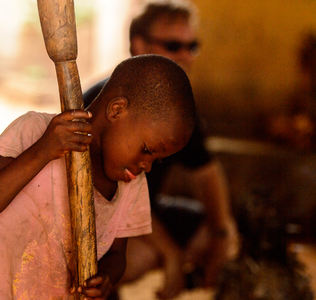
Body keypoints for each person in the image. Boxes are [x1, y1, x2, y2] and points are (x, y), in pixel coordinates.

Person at [0, 55, 196, 300]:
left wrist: (105, 277)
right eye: (146, 149)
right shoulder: (36, 132)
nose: (146, 166)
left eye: (155, 160)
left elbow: (117, 256)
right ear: (117, 110)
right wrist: (43, 150)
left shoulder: (130, 184)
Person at [83, 1, 239, 299]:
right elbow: (117, 203)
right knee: (136, 254)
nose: (185, 56)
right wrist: (172, 256)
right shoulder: (110, 107)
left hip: (146, 214)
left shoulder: (174, 107)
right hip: (100, 226)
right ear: (138, 44)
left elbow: (208, 172)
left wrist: (220, 237)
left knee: (225, 230)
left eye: (192, 46)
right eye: (173, 45)